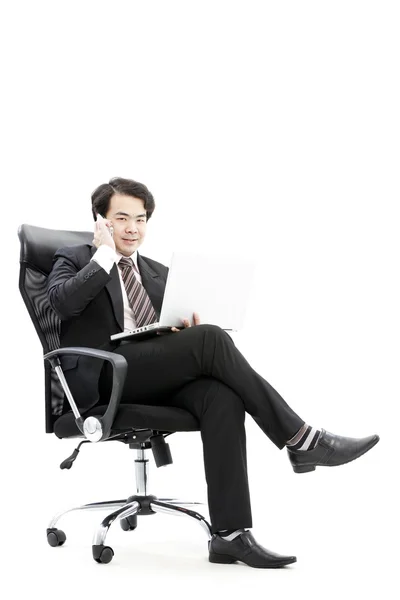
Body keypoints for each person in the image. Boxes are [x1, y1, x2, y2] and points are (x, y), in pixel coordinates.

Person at [47, 177, 379, 569]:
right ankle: (302, 439)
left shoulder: (157, 272)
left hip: (151, 375)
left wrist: (180, 333)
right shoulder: (74, 257)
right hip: (105, 378)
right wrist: (102, 256)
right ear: (100, 221)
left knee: (221, 394)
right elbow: (62, 304)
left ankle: (230, 535)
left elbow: (164, 334)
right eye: (121, 218)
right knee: (210, 340)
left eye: (140, 219)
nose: (133, 228)